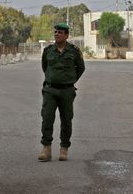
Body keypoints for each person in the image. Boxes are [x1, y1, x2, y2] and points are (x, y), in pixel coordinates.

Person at [38, 22, 85, 162]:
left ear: (66, 35)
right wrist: (53, 78)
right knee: (47, 118)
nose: (56, 34)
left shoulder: (74, 51)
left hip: (67, 91)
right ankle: (46, 148)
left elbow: (81, 68)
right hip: (50, 89)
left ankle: (64, 148)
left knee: (66, 120)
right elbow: (45, 67)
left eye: (60, 32)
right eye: (55, 32)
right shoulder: (48, 51)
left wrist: (69, 80)